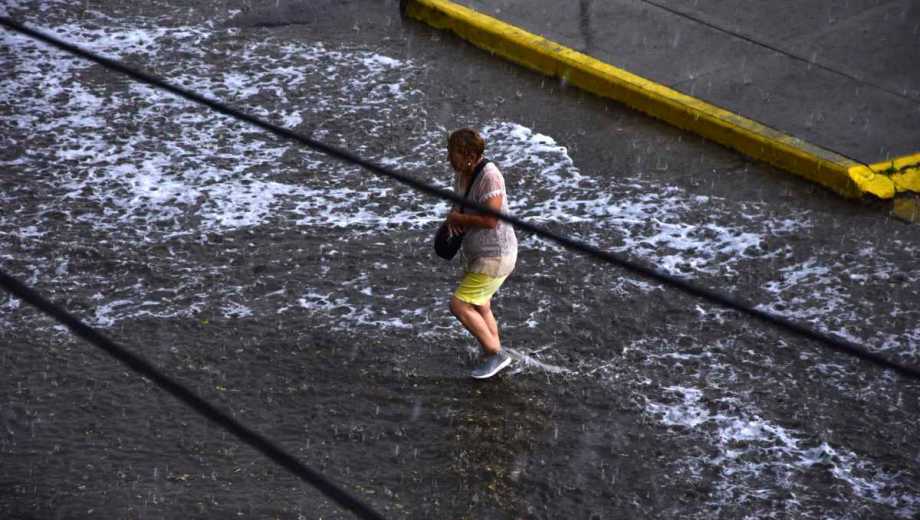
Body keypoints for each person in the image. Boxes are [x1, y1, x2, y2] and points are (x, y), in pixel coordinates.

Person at [443, 128, 518, 379]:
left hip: (496, 255)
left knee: (459, 304)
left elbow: (490, 220)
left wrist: (459, 219)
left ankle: (496, 354)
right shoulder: (462, 174)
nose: (448, 158)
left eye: (452, 153)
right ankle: (493, 351)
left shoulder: (490, 177)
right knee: (480, 303)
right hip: (481, 254)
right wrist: (453, 221)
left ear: (470, 156)